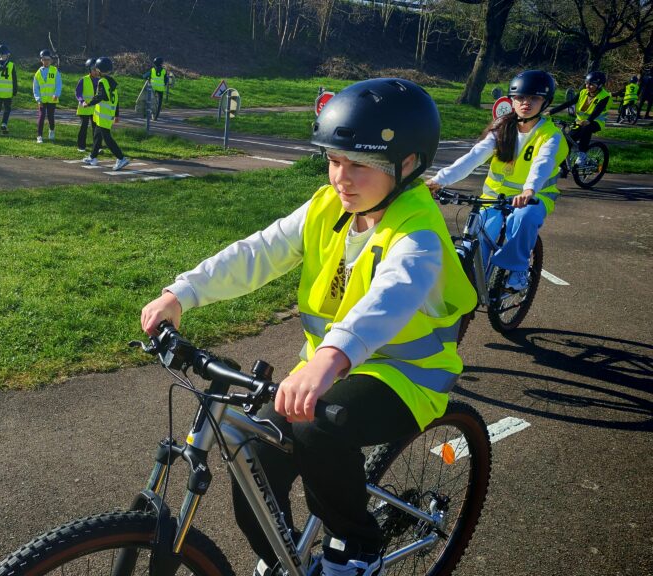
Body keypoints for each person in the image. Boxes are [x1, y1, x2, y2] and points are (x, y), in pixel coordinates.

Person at [140, 78, 475, 576]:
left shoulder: (419, 232)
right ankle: (283, 557)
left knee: (318, 426)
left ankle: (357, 549)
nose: (341, 178)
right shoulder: (328, 207)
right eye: (334, 161)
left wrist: (330, 357)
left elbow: (391, 296)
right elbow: (259, 251)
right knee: (253, 449)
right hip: (331, 369)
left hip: (406, 377)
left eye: (359, 165)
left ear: (407, 165)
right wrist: (182, 293)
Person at [427, 70, 567, 292]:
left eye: (534, 98)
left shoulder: (550, 135)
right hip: (494, 198)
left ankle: (518, 271)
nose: (526, 103)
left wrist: (529, 190)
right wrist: (438, 181)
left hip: (533, 198)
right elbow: (473, 158)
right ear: (512, 100)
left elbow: (543, 163)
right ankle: (471, 285)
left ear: (545, 102)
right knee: (478, 236)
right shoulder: (502, 129)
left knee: (523, 218)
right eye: (520, 97)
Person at [548, 70, 610, 165]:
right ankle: (564, 165)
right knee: (567, 140)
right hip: (580, 122)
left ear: (600, 85)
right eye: (586, 83)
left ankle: (582, 155)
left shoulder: (604, 96)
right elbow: (569, 103)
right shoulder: (583, 92)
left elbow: (597, 110)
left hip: (595, 121)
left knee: (586, 129)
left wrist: (588, 120)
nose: (587, 86)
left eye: (591, 84)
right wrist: (551, 112)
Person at [83, 57, 130, 171]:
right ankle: (93, 157)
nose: (95, 71)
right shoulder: (111, 82)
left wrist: (89, 103)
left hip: (104, 116)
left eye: (96, 69)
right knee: (97, 136)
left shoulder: (102, 82)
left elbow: (101, 96)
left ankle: (121, 158)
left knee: (107, 139)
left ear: (99, 70)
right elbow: (116, 100)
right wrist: (117, 114)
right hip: (105, 115)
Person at [33, 49, 62, 143]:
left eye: (48, 59)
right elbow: (35, 88)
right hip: (42, 100)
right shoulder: (37, 73)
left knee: (50, 116)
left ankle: (51, 130)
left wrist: (56, 94)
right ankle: (39, 136)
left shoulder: (55, 70)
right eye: (44, 59)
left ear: (51, 60)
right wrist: (38, 99)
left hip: (52, 99)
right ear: (41, 60)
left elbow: (58, 84)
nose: (46, 61)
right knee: (41, 116)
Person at [75, 58, 100, 153]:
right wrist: (82, 101)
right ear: (89, 70)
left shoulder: (100, 81)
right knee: (83, 127)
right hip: (84, 108)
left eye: (97, 69)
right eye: (94, 69)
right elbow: (78, 93)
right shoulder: (83, 80)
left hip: (96, 109)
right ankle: (81, 146)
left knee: (96, 129)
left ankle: (97, 147)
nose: (96, 72)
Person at [146, 56, 168, 120]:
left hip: (153, 88)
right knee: (159, 103)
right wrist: (165, 84)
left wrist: (147, 78)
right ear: (161, 63)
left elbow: (145, 76)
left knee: (150, 100)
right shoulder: (164, 71)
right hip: (160, 88)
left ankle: (149, 112)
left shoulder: (152, 70)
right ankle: (156, 116)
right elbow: (166, 80)